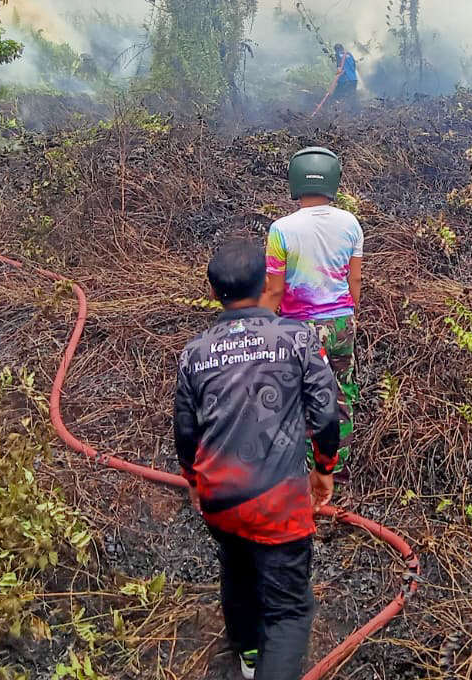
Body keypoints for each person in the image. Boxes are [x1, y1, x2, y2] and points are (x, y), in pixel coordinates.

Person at [174, 242, 341, 680]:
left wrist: (193, 479)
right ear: (268, 283)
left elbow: (185, 427)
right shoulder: (297, 337)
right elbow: (325, 411)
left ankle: (248, 656)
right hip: (277, 503)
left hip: (220, 499)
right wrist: (324, 469)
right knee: (289, 613)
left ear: (213, 293)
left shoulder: (195, 353)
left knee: (237, 567)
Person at [267, 146, 363, 462]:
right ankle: (336, 469)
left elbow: (275, 291)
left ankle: (308, 469)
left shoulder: (281, 229)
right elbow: (355, 281)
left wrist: (262, 327)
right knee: (341, 393)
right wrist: (351, 317)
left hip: (301, 329)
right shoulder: (351, 224)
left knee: (303, 397)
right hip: (341, 323)